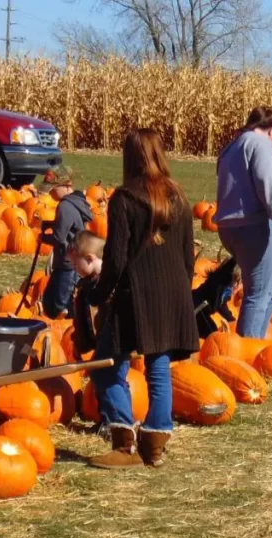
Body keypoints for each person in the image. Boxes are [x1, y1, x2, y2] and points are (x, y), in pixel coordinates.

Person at [88, 128, 199, 470]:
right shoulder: (177, 196)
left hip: (135, 294)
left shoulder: (125, 198)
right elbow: (187, 254)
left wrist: (98, 294)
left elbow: (117, 259)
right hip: (173, 291)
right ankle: (154, 444)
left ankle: (124, 444)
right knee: (158, 368)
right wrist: (182, 290)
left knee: (106, 367)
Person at [215, 106, 272, 339]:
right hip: (254, 225)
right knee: (258, 293)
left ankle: (256, 340)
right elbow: (266, 184)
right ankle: (247, 349)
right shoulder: (261, 146)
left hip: (229, 225)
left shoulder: (231, 147)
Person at [40, 168, 94, 319]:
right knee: (50, 301)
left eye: (53, 190)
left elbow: (58, 238)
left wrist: (42, 238)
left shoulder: (65, 206)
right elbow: (70, 226)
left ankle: (66, 334)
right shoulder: (75, 204)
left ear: (66, 185)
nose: (50, 194)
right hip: (68, 263)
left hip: (67, 264)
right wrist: (51, 224)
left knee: (61, 305)